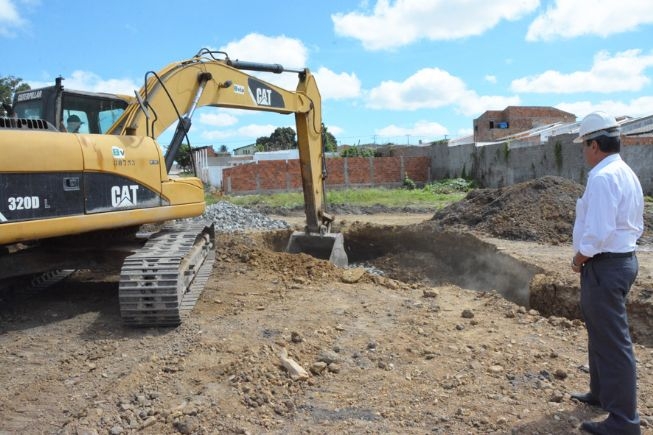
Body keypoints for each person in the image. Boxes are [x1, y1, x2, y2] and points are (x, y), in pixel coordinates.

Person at [570, 111, 644, 435]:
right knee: (600, 331)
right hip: (620, 260)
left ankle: (624, 421)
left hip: (604, 263)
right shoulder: (625, 172)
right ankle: (600, 394)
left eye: (584, 146)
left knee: (613, 342)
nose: (584, 152)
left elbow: (597, 233)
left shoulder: (602, 177)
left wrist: (578, 260)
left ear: (595, 145)